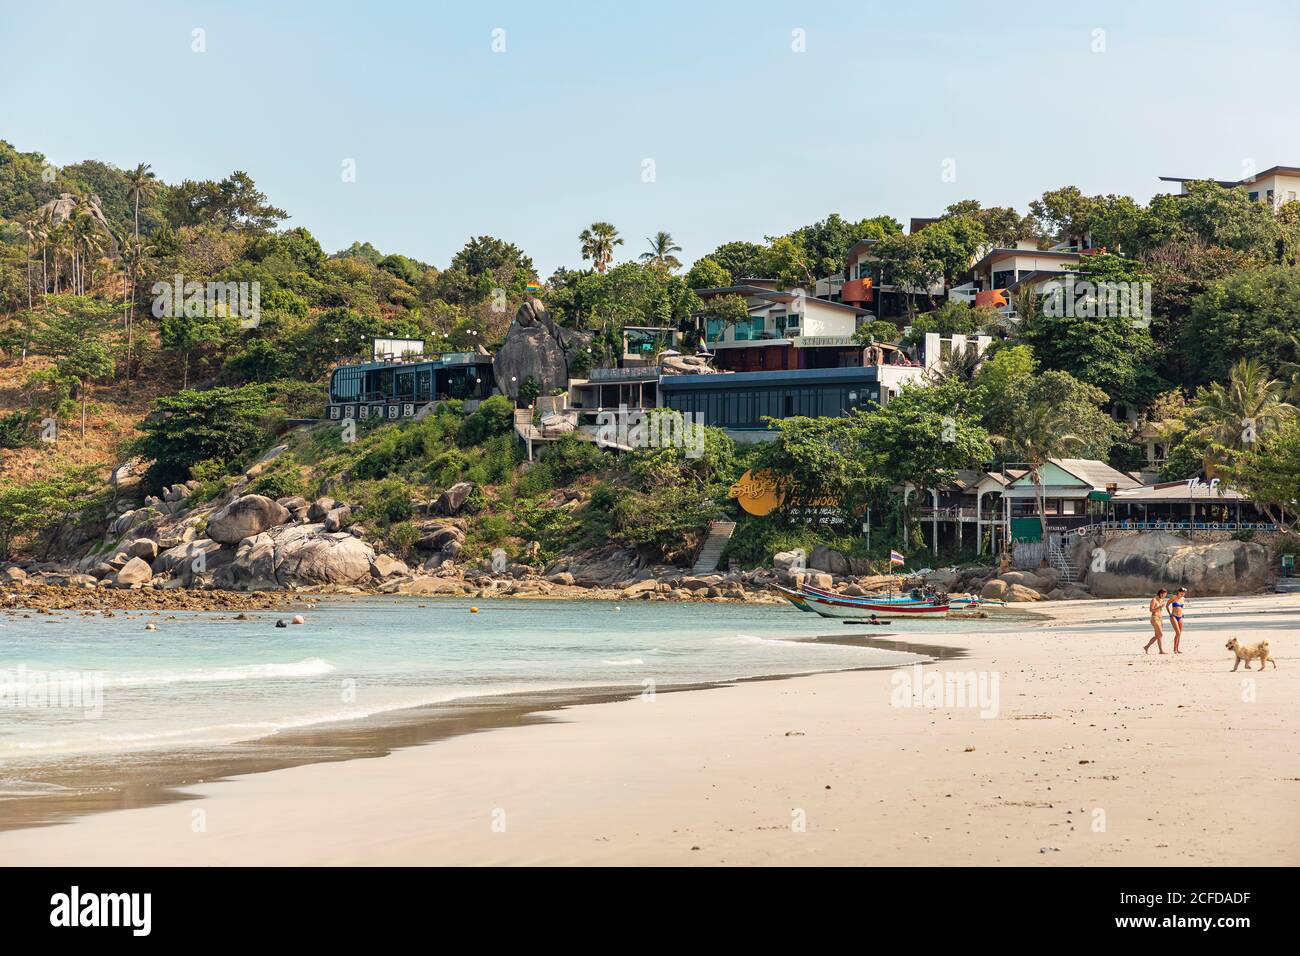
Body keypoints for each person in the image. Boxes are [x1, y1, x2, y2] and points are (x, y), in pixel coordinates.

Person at [1144, 589, 1167, 654]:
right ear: (1159, 593)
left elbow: (1160, 611)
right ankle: (1150, 647)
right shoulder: (1154, 600)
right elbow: (1151, 610)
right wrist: (1159, 606)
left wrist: (1162, 620)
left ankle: (1158, 650)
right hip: (1154, 618)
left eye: (1165, 594)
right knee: (1160, 634)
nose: (1163, 595)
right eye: (1162, 594)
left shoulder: (1162, 600)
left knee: (1158, 635)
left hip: (1160, 618)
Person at [1168, 587, 1187, 654]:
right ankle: (1174, 649)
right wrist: (1170, 613)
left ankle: (1177, 649)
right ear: (1178, 591)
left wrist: (1182, 613)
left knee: (1179, 634)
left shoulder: (1183, 598)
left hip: (1181, 617)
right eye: (1182, 592)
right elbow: (1167, 605)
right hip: (1174, 616)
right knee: (1178, 632)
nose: (1183, 593)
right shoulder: (1174, 597)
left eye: (1184, 592)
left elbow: (1180, 608)